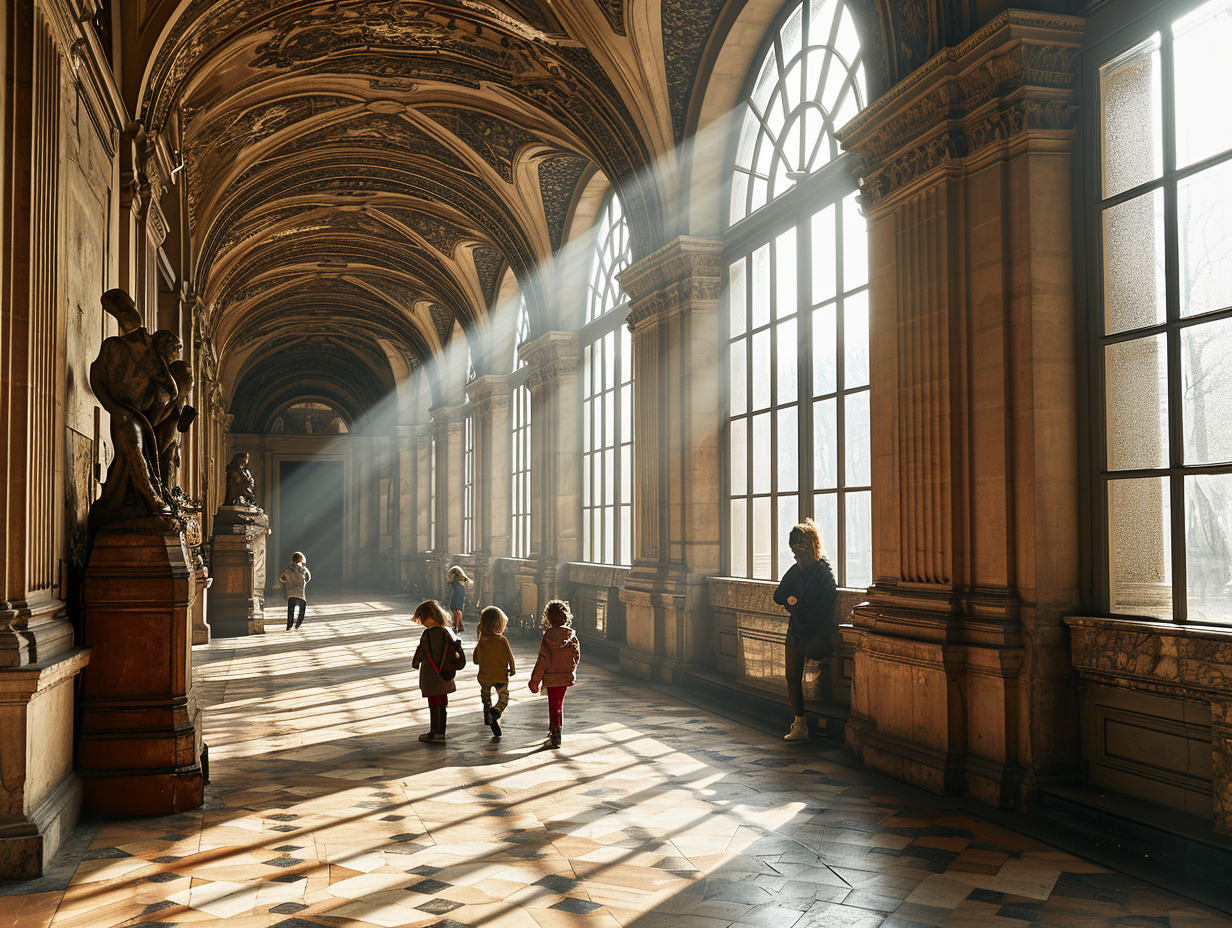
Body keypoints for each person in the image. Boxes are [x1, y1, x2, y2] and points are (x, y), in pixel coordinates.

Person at [773, 517, 837, 742]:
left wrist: (796, 604)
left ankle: (801, 723)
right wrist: (792, 601)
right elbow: (779, 595)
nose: (795, 555)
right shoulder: (795, 570)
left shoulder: (823, 573)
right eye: (793, 550)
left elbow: (823, 604)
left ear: (809, 546)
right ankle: (800, 722)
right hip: (796, 630)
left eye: (798, 549)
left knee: (800, 677)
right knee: (792, 677)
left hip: (814, 632)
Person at [411, 599, 465, 744]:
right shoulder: (447, 632)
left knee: (434, 703)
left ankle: (435, 733)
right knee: (442, 703)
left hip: (432, 675)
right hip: (445, 673)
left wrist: (415, 663)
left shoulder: (427, 635)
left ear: (430, 617)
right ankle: (441, 731)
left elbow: (421, 650)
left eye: (422, 618)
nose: (422, 622)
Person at [528, 600, 580, 749]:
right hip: (564, 676)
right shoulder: (571, 636)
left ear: (548, 618)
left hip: (551, 676)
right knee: (558, 704)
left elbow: (542, 661)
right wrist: (571, 670)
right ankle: (555, 730)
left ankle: (555, 734)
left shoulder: (548, 637)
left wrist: (534, 680)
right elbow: (576, 657)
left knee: (553, 704)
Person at [473, 606, 516, 738]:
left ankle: (488, 714)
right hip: (500, 676)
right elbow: (510, 657)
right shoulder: (502, 640)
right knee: (503, 697)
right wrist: (512, 670)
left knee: (486, 697)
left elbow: (475, 660)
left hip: (485, 677)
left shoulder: (482, 642)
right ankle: (496, 712)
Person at [279, 552, 311, 630]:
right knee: (302, 609)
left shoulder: (287, 569)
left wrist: (286, 583)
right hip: (300, 592)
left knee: (291, 610)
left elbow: (281, 578)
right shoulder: (304, 569)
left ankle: (289, 625)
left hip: (290, 593)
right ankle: (298, 624)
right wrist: (303, 583)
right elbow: (308, 578)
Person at [446, 565, 470, 634]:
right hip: (457, 596)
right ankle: (457, 626)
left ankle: (457, 626)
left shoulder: (459, 582)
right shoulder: (459, 582)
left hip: (458, 596)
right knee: (456, 611)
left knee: (456, 611)